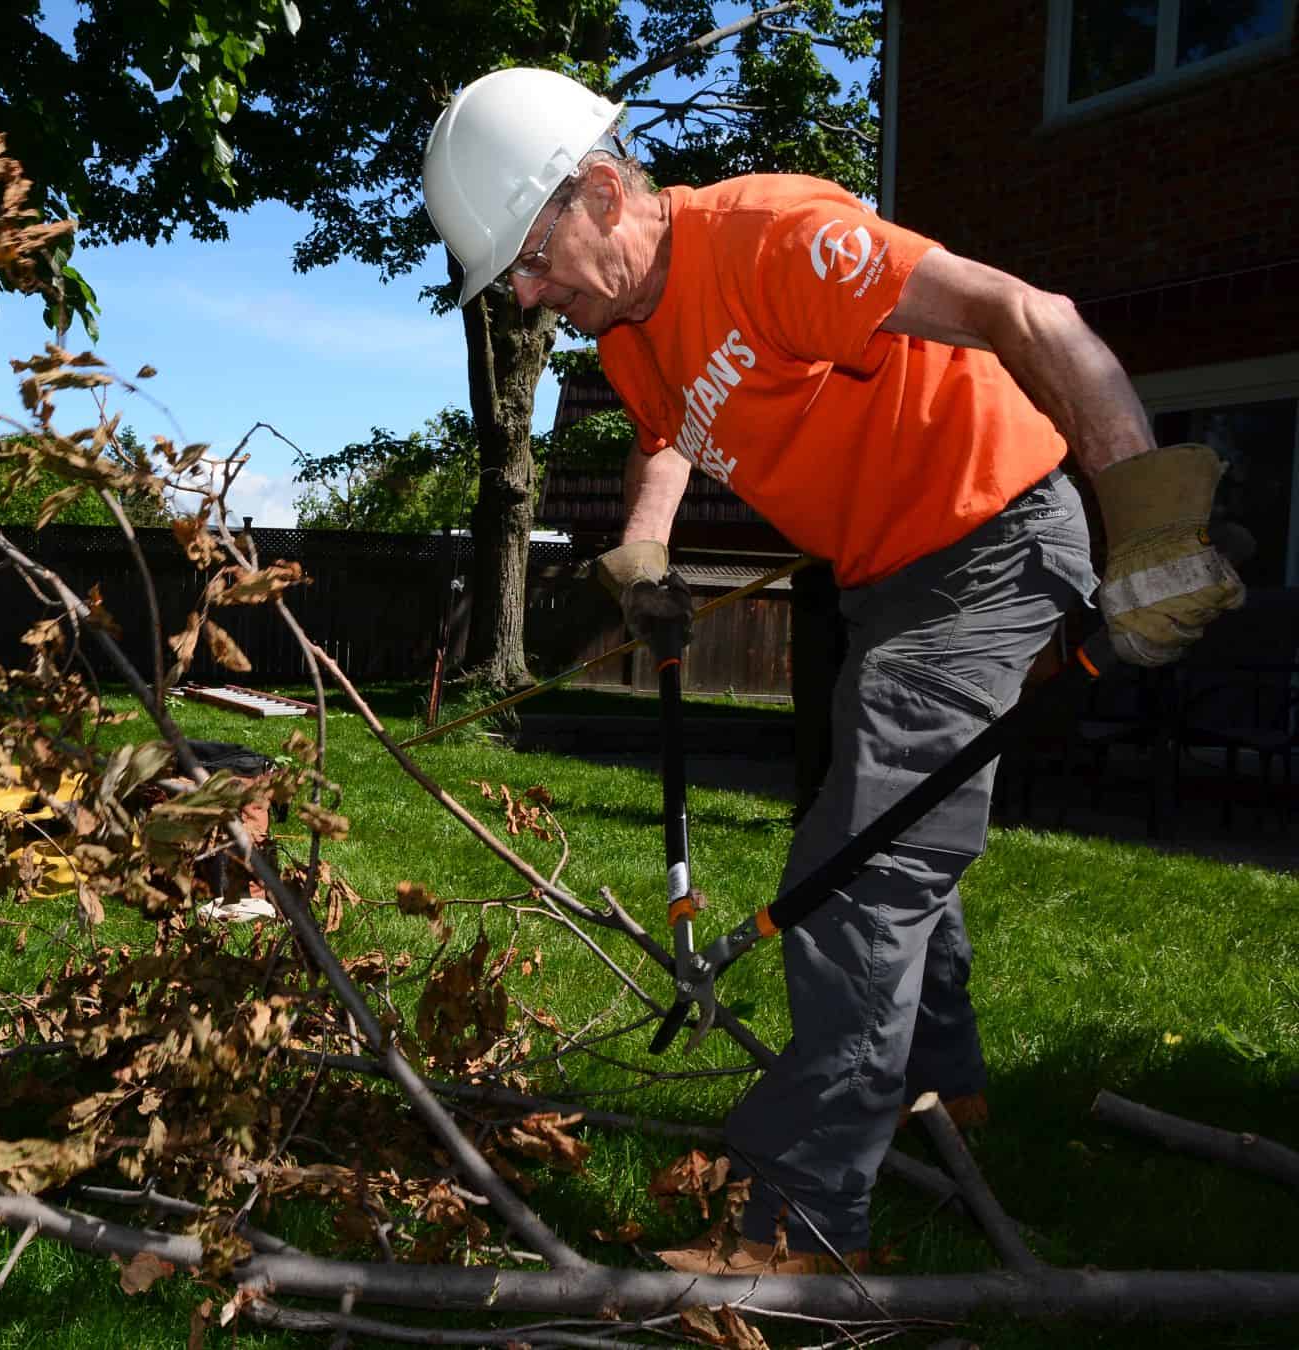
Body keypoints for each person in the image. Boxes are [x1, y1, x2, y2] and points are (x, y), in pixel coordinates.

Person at [422, 67, 1245, 1275]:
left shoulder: (771, 243)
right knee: (901, 830)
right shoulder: (628, 329)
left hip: (992, 543)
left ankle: (802, 1225)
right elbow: (666, 429)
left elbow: (1036, 314)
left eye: (531, 264)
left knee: (854, 876)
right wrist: (650, 551)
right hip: (885, 580)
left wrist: (1149, 515)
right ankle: (940, 1093)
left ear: (601, 191)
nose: (528, 298)